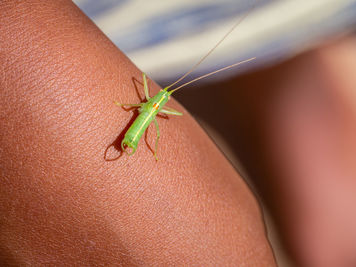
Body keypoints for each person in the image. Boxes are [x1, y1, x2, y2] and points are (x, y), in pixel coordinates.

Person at [0, 1, 276, 266]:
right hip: (136, 119)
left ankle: (147, 148)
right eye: (164, 97)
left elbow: (146, 103)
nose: (164, 97)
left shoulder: (153, 105)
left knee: (150, 130)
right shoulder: (155, 106)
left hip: (141, 121)